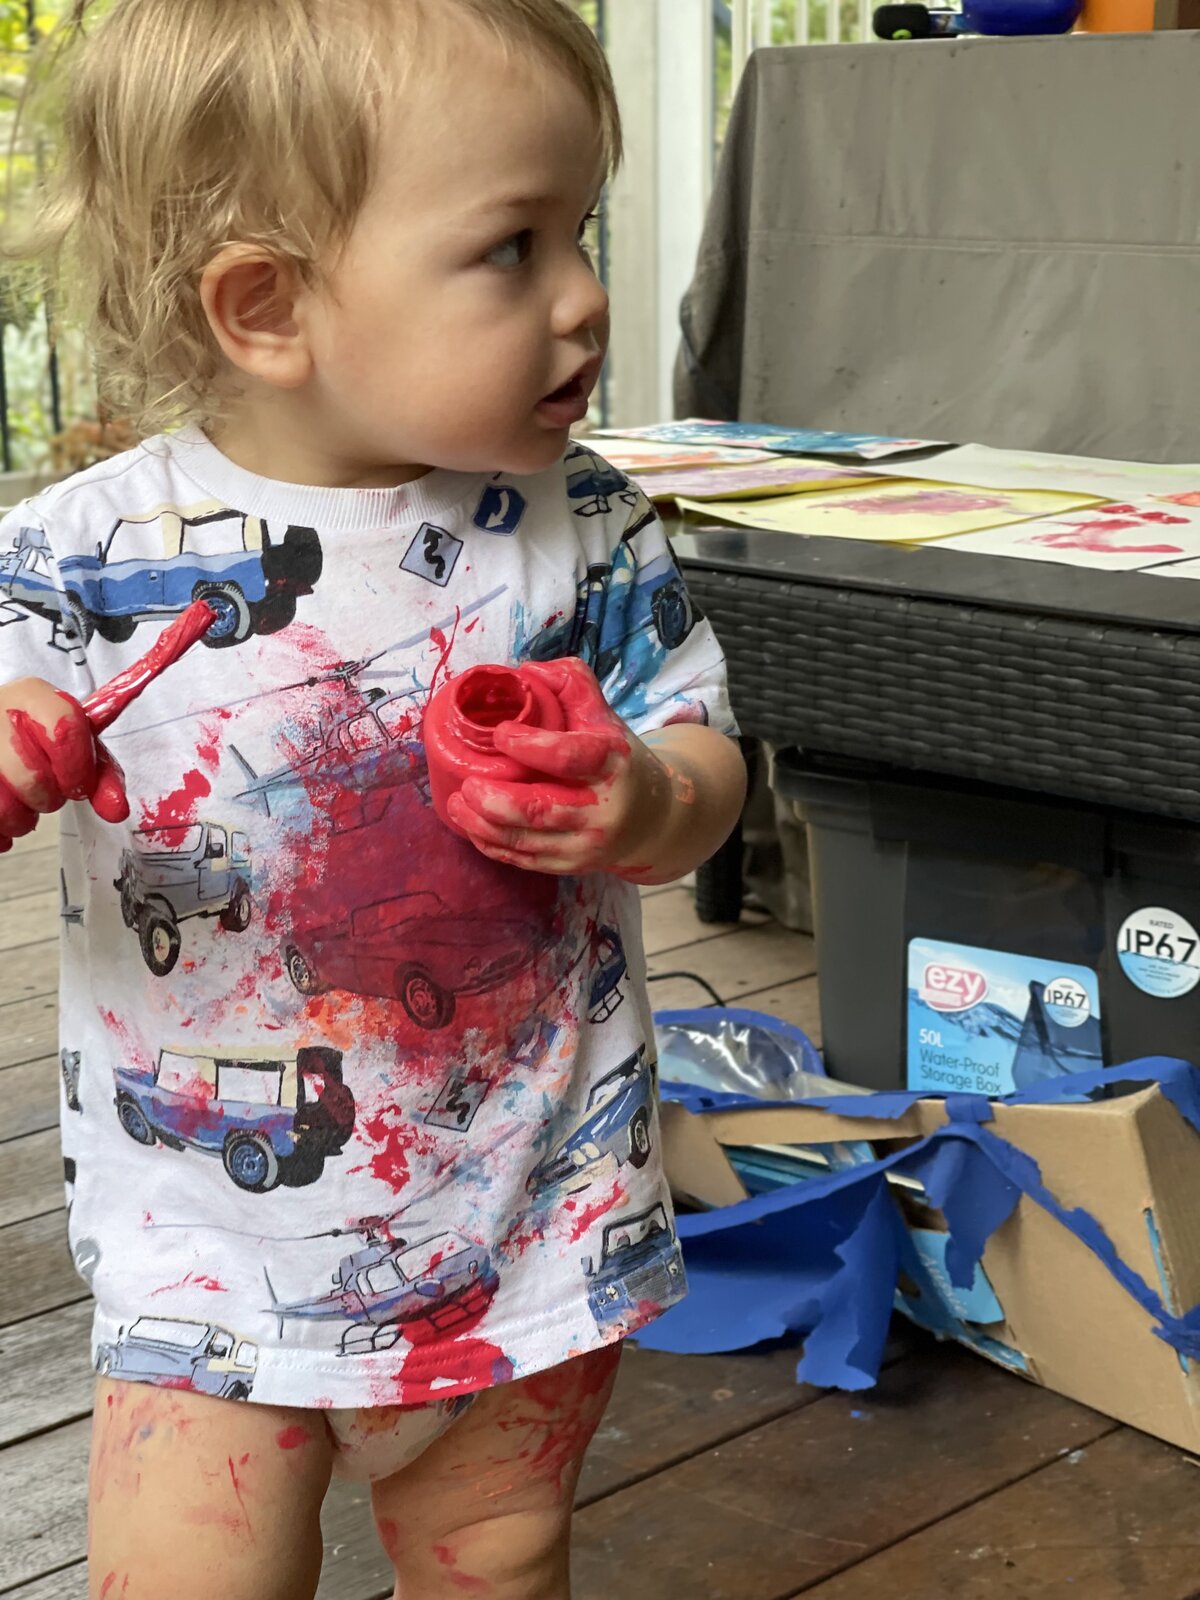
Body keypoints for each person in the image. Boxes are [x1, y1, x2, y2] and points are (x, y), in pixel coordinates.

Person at [0, 2, 746, 1595]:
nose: (585, 295)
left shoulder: (586, 529)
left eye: (583, 229)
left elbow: (706, 769)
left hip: (525, 1209)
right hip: (208, 1241)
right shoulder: (76, 560)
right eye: (514, 247)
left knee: (501, 1558)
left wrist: (643, 800)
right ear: (268, 307)